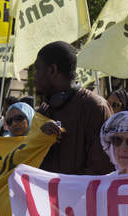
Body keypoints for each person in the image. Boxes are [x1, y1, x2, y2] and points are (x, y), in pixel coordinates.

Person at [34, 41, 114, 175]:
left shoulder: (95, 107)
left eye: (37, 69)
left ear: (52, 70)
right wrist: (38, 138)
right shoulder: (44, 111)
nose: (34, 76)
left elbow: (103, 170)